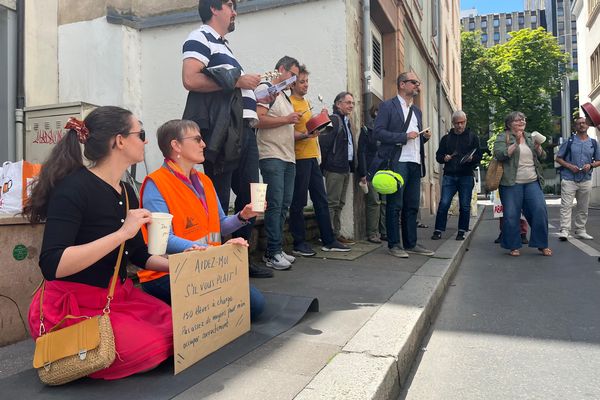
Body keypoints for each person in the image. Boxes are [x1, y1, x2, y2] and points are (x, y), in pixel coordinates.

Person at [23, 106, 173, 380]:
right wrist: (121, 233)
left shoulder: (127, 190)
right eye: (141, 134)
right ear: (119, 141)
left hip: (115, 298)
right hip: (71, 307)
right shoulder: (73, 188)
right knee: (153, 347)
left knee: (180, 330)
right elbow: (52, 265)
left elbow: (137, 253)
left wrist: (179, 265)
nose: (146, 141)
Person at [181, 0, 273, 278]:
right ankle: (219, 262)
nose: (235, 12)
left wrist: (257, 95)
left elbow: (226, 88)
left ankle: (241, 258)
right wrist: (238, 82)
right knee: (219, 196)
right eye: (231, 5)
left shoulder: (223, 45)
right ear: (214, 8)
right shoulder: (199, 37)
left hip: (242, 129)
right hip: (225, 133)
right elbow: (190, 79)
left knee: (250, 196)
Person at [139, 119, 265, 319]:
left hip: (206, 265)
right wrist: (212, 252)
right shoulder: (157, 183)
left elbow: (220, 225)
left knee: (255, 306)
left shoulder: (204, 181)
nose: (204, 144)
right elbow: (163, 240)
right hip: (168, 273)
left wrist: (243, 216)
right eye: (197, 139)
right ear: (176, 145)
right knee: (247, 307)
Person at [288, 66, 351, 255]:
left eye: (307, 81)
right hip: (299, 157)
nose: (306, 85)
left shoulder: (306, 102)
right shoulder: (288, 102)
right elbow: (287, 133)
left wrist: (320, 120)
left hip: (312, 157)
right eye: (302, 81)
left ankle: (329, 239)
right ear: (292, 83)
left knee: (321, 200)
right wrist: (307, 134)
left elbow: (310, 129)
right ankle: (299, 243)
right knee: (298, 202)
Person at [374, 72, 434, 258]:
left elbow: (414, 139)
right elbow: (378, 133)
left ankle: (411, 243)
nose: (417, 86)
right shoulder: (387, 106)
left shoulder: (417, 111)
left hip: (415, 162)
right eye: (414, 82)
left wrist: (423, 138)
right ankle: (394, 244)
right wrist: (404, 136)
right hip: (397, 161)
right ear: (402, 84)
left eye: (418, 82)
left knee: (412, 205)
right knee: (395, 204)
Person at [255, 56, 301, 270]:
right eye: (292, 75)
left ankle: (276, 249)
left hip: (287, 156)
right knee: (275, 204)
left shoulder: (284, 95)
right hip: (271, 155)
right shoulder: (267, 89)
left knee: (284, 204)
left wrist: (307, 132)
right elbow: (258, 120)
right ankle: (272, 253)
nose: (294, 80)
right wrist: (287, 119)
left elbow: (286, 129)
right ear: (281, 69)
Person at [493, 111, 551, 257]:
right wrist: (516, 143)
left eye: (523, 120)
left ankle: (542, 244)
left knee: (539, 210)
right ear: (509, 124)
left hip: (532, 181)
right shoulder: (503, 137)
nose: (521, 122)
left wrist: (538, 147)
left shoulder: (530, 137)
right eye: (517, 120)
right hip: (511, 183)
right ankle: (513, 246)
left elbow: (543, 156)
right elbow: (499, 154)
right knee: (512, 215)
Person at [431, 111, 482, 241]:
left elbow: (479, 156)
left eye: (462, 122)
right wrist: (444, 157)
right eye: (457, 123)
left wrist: (472, 159)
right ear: (453, 123)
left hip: (466, 175)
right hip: (449, 175)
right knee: (444, 203)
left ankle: (462, 230)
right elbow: (438, 156)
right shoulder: (446, 138)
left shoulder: (472, 137)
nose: (460, 126)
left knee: (465, 205)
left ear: (466, 121)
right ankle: (438, 230)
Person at [319, 92, 357, 245]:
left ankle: (336, 233)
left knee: (340, 203)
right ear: (338, 104)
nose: (351, 106)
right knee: (332, 203)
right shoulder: (334, 120)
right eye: (348, 102)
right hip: (334, 168)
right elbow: (324, 144)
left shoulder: (346, 121)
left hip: (344, 168)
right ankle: (328, 236)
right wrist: (324, 167)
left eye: (352, 103)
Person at [556, 116, 600, 240]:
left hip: (585, 179)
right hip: (569, 178)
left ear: (587, 126)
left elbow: (598, 160)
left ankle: (580, 230)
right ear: (575, 127)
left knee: (583, 206)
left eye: (584, 123)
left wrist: (590, 165)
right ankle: (564, 230)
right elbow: (558, 158)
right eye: (579, 123)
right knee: (566, 206)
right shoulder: (569, 141)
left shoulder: (593, 143)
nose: (582, 125)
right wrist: (569, 166)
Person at [357, 105, 387, 243]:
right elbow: (361, 152)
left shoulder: (388, 130)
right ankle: (372, 233)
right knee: (374, 202)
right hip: (371, 170)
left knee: (385, 202)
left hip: (386, 171)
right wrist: (363, 173)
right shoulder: (367, 129)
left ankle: (384, 232)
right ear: (375, 113)